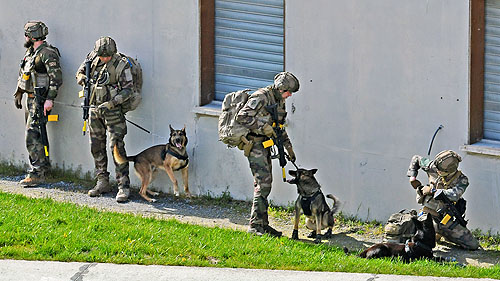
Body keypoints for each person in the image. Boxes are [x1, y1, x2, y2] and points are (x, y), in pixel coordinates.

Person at [235, 72, 300, 237]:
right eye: (288, 91)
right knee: (263, 185)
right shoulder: (261, 96)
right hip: (255, 144)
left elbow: (279, 127)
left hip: (266, 145)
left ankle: (263, 224)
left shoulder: (279, 101)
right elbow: (241, 116)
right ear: (280, 88)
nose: (289, 95)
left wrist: (288, 148)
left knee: (266, 184)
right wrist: (262, 127)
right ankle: (254, 226)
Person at [75, 36, 133, 202]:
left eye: (107, 56)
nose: (104, 59)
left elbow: (128, 90)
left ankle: (123, 186)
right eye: (102, 56)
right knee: (96, 146)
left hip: (113, 112)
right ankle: (102, 182)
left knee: (116, 148)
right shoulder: (91, 60)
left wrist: (112, 102)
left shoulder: (121, 65)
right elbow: (79, 73)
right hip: (94, 110)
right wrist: (82, 78)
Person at [14, 21, 62, 186]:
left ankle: (36, 173)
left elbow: (56, 78)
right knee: (36, 134)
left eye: (27, 35)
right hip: (31, 98)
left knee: (32, 135)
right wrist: (19, 92)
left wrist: (49, 99)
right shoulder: (31, 53)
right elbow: (25, 74)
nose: (25, 38)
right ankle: (43, 168)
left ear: (32, 36)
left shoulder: (47, 53)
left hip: (40, 100)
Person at [407, 150, 479, 250]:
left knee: (472, 245)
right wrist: (412, 177)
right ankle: (433, 231)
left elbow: (453, 195)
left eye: (441, 171)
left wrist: (432, 190)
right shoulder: (433, 167)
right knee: (413, 241)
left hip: (445, 220)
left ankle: (438, 232)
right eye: (437, 169)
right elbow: (416, 159)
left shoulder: (462, 180)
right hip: (427, 215)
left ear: (450, 170)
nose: (437, 172)